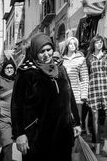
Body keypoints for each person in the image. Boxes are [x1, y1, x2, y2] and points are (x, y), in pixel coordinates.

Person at [11, 32, 81, 161]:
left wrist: (76, 122)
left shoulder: (60, 69)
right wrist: (19, 134)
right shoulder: (26, 73)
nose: (46, 54)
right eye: (41, 51)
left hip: (63, 131)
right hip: (38, 134)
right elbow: (17, 107)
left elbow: (70, 97)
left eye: (48, 50)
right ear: (34, 52)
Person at [86, 35, 107, 154]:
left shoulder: (106, 56)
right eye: (97, 42)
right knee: (95, 118)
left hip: (105, 88)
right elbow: (86, 75)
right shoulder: (89, 58)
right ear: (93, 44)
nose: (99, 44)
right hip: (93, 89)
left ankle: (106, 143)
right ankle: (98, 144)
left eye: (101, 42)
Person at [62, 37, 89, 125]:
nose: (72, 46)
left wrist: (84, 94)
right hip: (65, 93)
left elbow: (84, 77)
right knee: (65, 118)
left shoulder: (81, 59)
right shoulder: (62, 60)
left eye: (74, 44)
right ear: (67, 45)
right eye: (70, 43)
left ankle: (78, 138)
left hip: (77, 94)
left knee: (78, 119)